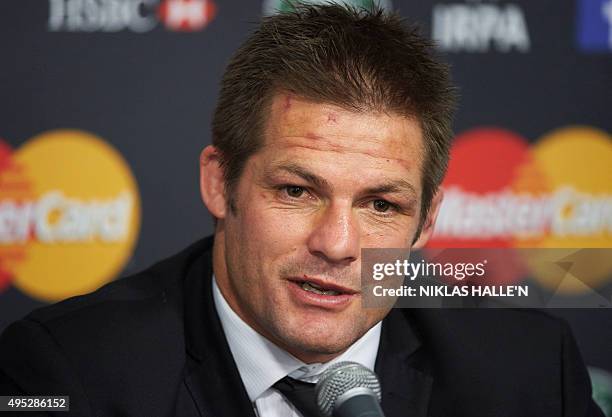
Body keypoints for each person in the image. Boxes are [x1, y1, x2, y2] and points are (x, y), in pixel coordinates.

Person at [0, 3, 604, 417]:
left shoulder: (528, 373)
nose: (338, 244)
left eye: (382, 204)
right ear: (219, 183)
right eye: (297, 191)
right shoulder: (68, 374)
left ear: (427, 222)